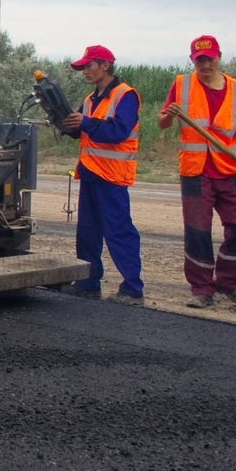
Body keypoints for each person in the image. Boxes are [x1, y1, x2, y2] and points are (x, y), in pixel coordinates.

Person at [158, 34, 236, 309]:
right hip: (195, 172)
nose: (205, 64)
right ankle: (202, 289)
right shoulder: (181, 85)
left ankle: (229, 283)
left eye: (209, 59)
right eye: (199, 60)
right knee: (197, 231)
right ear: (192, 60)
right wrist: (169, 115)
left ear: (219, 57)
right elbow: (162, 123)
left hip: (231, 170)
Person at [60, 45, 144, 304]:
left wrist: (84, 123)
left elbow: (118, 131)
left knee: (118, 231)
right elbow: (84, 130)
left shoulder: (125, 95)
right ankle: (88, 283)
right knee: (87, 232)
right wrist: (66, 123)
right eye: (82, 67)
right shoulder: (89, 99)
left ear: (105, 65)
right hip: (91, 173)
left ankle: (132, 289)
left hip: (112, 176)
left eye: (88, 66)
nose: (84, 71)